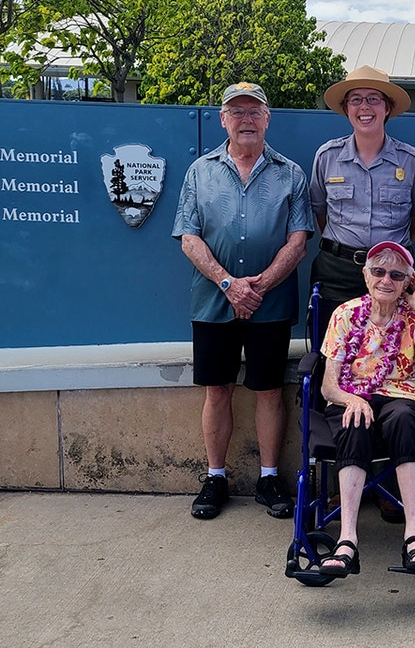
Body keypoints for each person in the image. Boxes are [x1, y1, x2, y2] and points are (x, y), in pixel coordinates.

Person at [171, 82, 314, 520]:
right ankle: (215, 477)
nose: (246, 119)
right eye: (238, 112)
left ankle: (269, 478)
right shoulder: (200, 171)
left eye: (255, 112)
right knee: (218, 389)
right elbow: (187, 237)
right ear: (223, 119)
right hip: (213, 301)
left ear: (267, 119)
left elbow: (298, 240)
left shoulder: (291, 173)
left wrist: (260, 287)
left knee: (270, 389)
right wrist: (229, 284)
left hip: (271, 304)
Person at [309, 65, 415, 523]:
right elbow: (319, 213)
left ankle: (387, 487)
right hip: (339, 270)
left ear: (387, 109)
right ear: (345, 109)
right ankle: (345, 482)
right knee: (338, 372)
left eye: (373, 100)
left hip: (389, 277)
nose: (364, 107)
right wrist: (353, 260)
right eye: (355, 100)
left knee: (393, 370)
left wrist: (388, 269)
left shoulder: (410, 159)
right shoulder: (326, 157)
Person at [317, 241, 415, 577]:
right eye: (378, 271)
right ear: (366, 276)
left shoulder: (412, 318)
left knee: (406, 418)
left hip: (402, 397)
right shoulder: (345, 314)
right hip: (352, 397)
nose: (386, 280)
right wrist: (353, 399)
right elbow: (328, 386)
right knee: (354, 422)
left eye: (396, 274)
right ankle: (347, 540)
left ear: (407, 281)